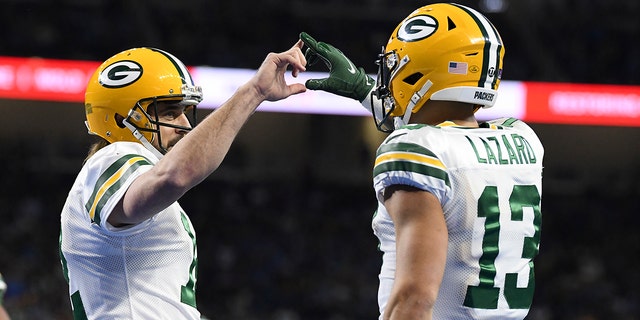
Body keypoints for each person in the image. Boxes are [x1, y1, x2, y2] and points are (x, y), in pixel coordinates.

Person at [300, 3, 543, 319]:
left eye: (395, 65)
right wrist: (363, 89)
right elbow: (444, 128)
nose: (387, 76)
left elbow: (415, 299)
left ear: (421, 70)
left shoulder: (415, 150)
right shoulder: (522, 140)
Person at [59, 42, 307, 319]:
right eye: (169, 112)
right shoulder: (113, 156)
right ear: (120, 119)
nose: (186, 124)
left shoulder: (114, 171)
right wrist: (254, 91)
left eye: (184, 111)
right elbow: (173, 177)